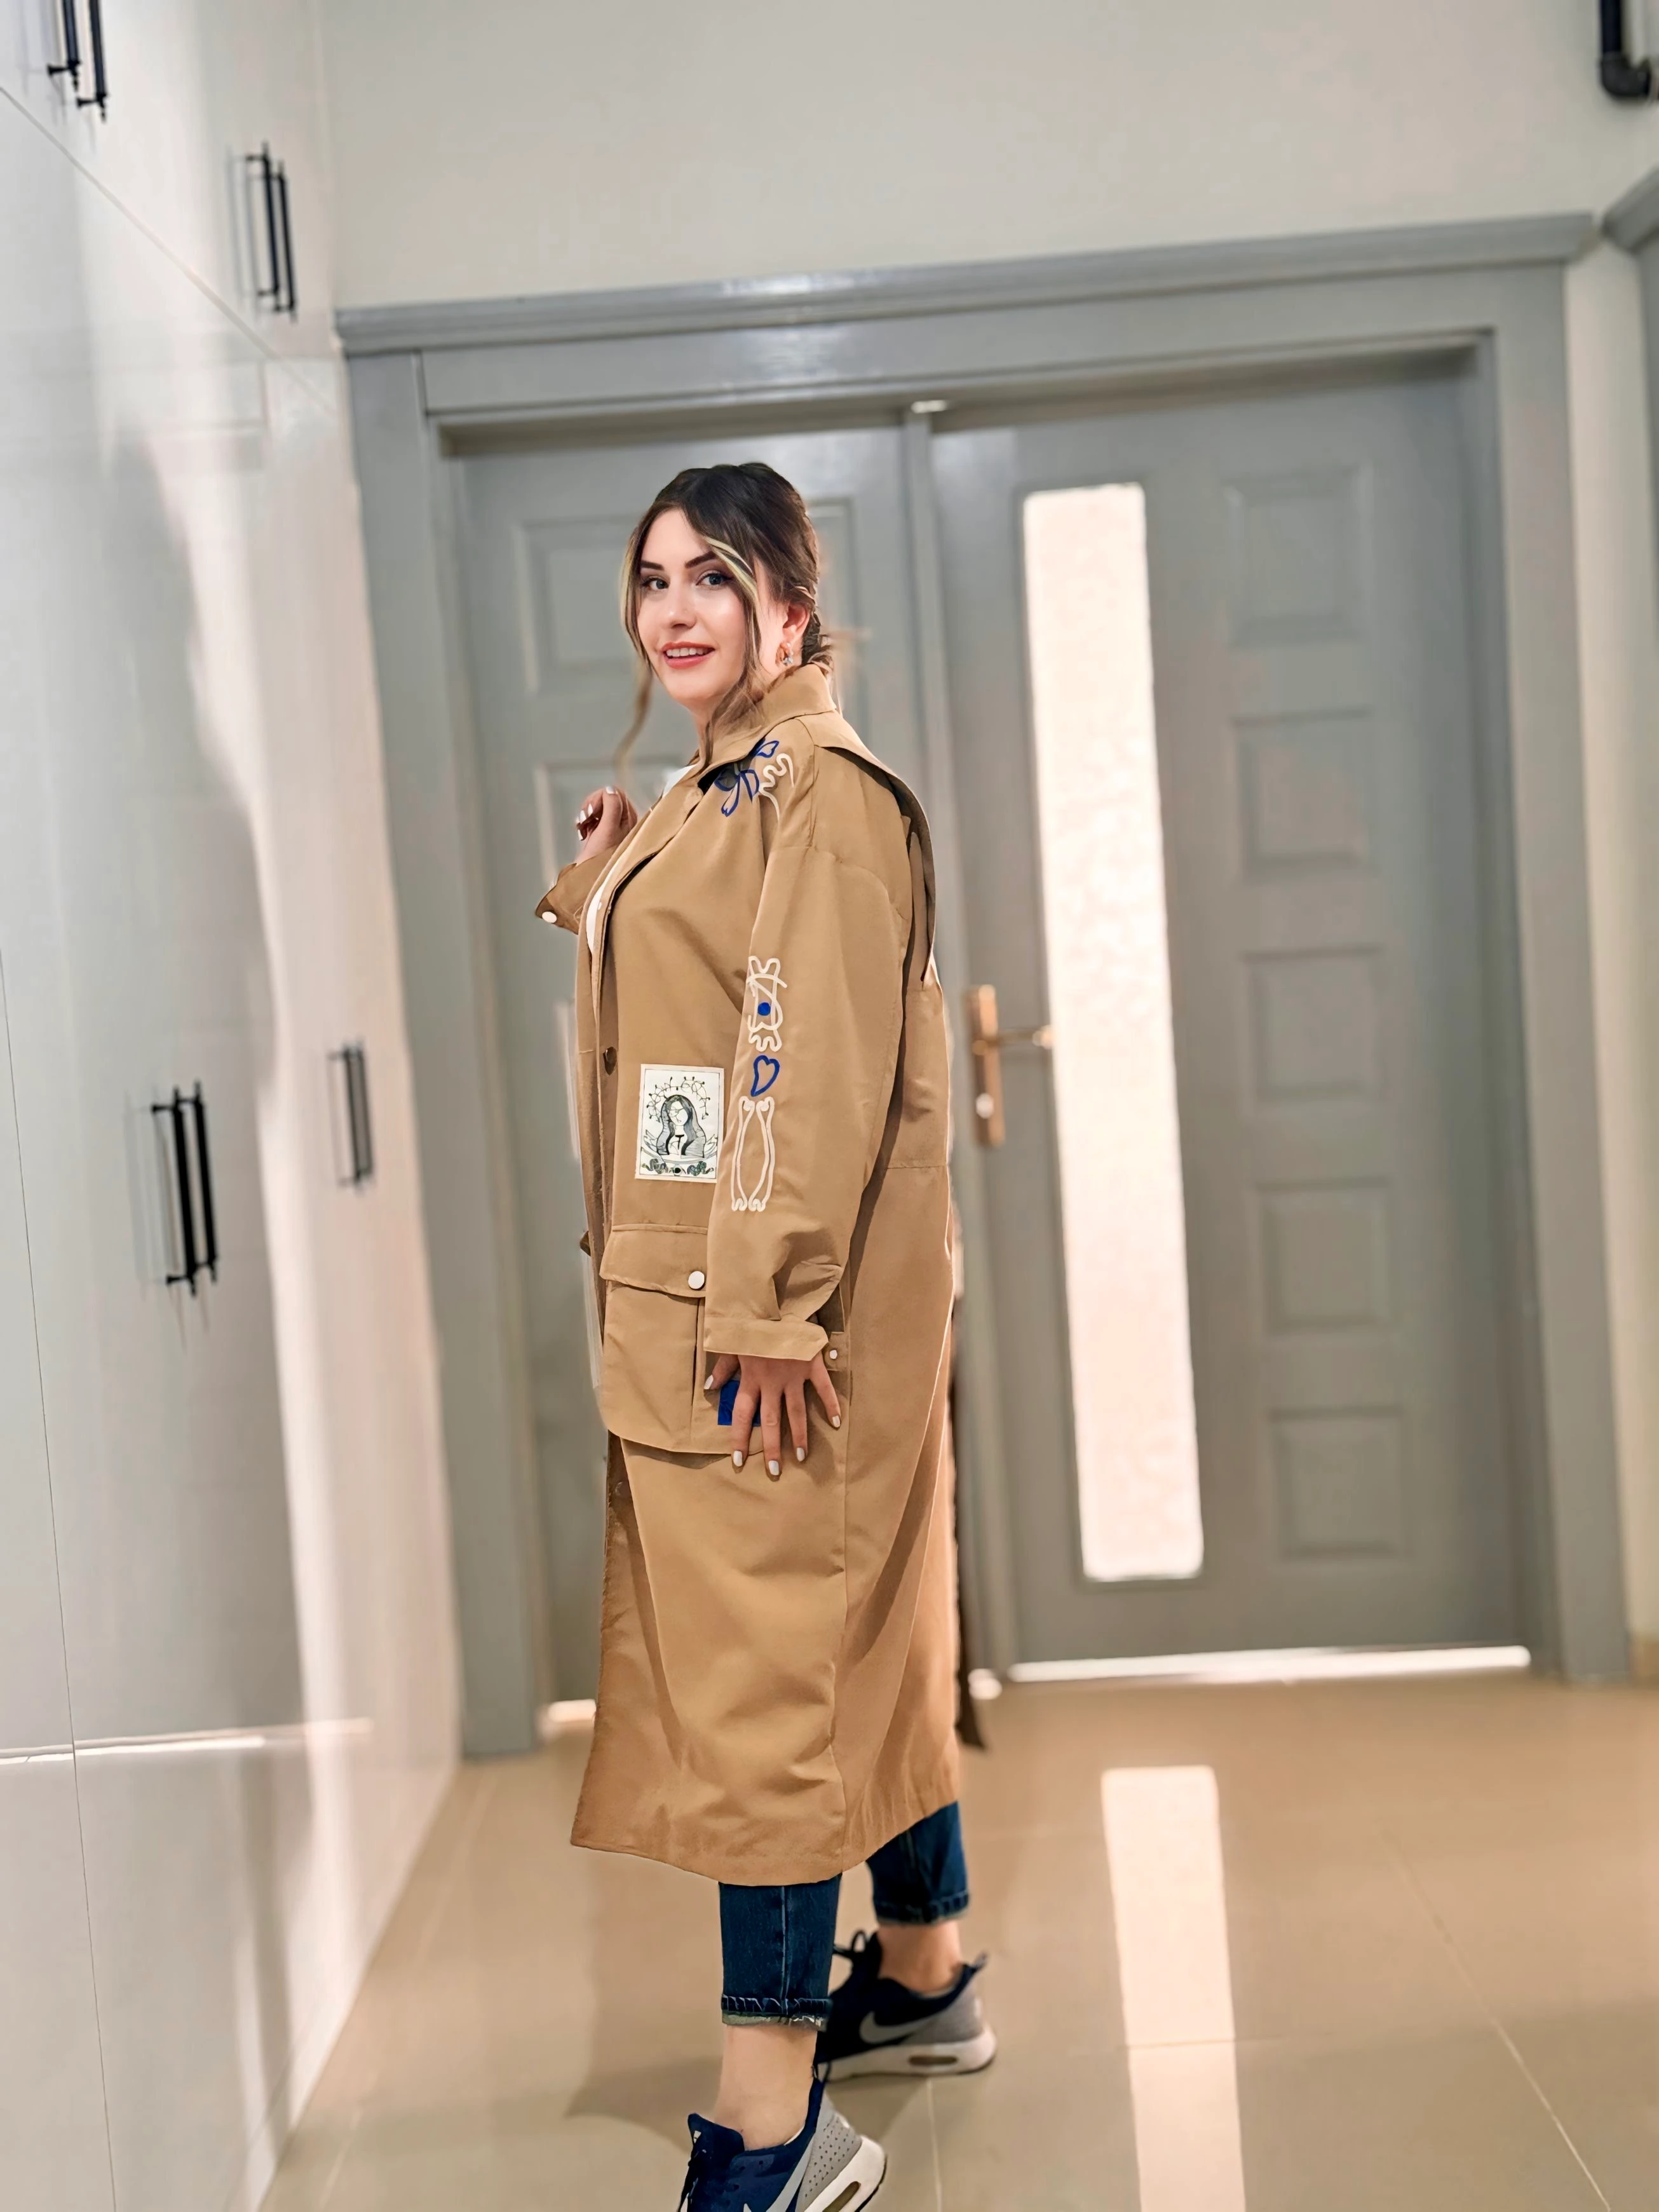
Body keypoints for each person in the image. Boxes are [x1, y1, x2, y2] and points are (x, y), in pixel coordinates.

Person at [537, 462, 995, 2211]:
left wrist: (770, 1306)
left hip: (775, 1325)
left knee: (769, 1697)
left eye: (712, 577)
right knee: (859, 1637)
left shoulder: (823, 794)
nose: (673, 609)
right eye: (653, 577)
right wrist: (608, 882)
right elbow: (709, 1002)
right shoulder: (720, 787)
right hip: (744, 1302)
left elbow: (798, 1072)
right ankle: (928, 1970)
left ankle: (777, 2117)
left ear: (789, 605)